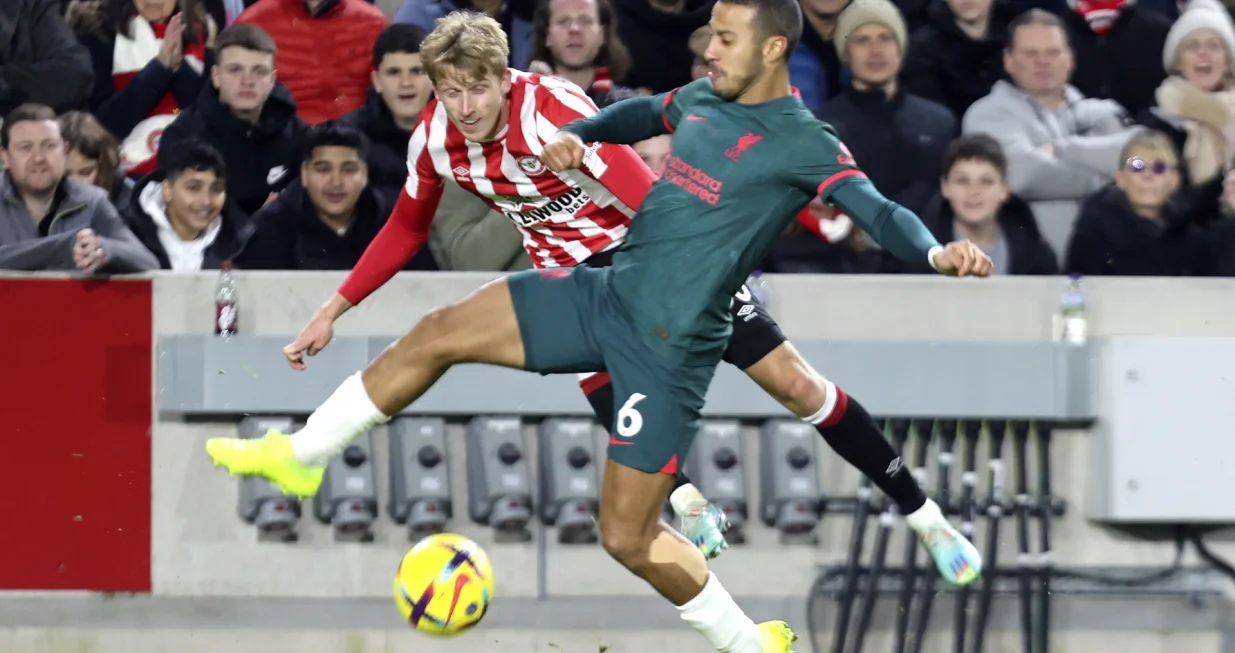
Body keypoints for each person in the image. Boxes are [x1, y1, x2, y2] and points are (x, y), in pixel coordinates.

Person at [206, 8, 991, 652]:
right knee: (448, 333)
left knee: (794, 388)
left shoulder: (557, 107)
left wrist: (924, 250)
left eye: (477, 89)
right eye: (449, 92)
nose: (465, 107)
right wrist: (335, 306)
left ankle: (923, 518)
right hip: (582, 290)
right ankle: (303, 454)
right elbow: (410, 224)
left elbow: (654, 198)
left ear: (506, 77)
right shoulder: (441, 139)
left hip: (664, 283)